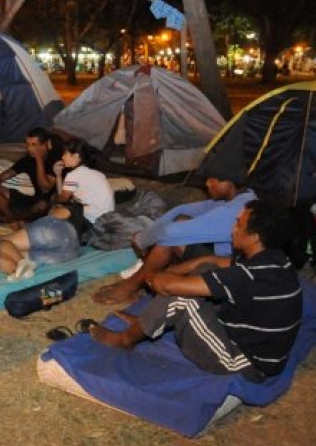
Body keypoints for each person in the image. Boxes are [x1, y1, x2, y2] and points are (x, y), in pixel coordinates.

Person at [90, 200, 302, 382]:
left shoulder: (249, 274)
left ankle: (125, 340)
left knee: (182, 299)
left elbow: (167, 286)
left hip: (244, 364)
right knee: (205, 270)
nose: (232, 228)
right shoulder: (273, 259)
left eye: (238, 224)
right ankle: (148, 322)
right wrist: (175, 270)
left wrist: (152, 276)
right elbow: (210, 260)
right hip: (250, 342)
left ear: (254, 236)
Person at [93, 171, 256, 305]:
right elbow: (182, 209)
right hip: (224, 255)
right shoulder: (241, 196)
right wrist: (146, 235)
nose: (207, 183)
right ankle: (148, 272)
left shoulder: (238, 208)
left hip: (236, 268)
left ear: (231, 184)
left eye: (214, 179)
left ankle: (134, 284)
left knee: (171, 238)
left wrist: (141, 240)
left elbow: (170, 232)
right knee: (181, 220)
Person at [0, 127, 62, 225]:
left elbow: (45, 188)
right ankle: (11, 218)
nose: (30, 149)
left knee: (42, 206)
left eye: (34, 145)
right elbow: (1, 177)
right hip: (32, 199)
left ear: (46, 145)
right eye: (28, 144)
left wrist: (39, 160)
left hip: (50, 202)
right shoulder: (27, 160)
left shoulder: (54, 160)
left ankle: (12, 218)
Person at [0, 204, 86, 281]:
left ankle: (22, 262)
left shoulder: (71, 209)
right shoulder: (83, 220)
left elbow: (60, 214)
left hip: (60, 232)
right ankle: (20, 270)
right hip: (69, 252)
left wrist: (47, 216)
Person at [52, 138, 114, 227]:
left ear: (76, 156)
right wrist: (58, 175)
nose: (62, 157)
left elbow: (62, 199)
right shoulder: (94, 172)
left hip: (93, 221)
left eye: (65, 153)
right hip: (107, 219)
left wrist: (54, 204)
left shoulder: (74, 175)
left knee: (56, 209)